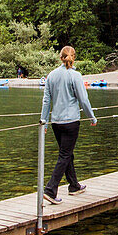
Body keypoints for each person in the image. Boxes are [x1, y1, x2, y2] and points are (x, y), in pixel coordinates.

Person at [40, 46, 97, 204]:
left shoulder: (51, 76)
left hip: (56, 123)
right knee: (65, 155)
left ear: (60, 58)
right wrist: (92, 118)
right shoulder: (75, 75)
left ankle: (74, 186)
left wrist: (44, 122)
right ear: (74, 58)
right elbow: (83, 100)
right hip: (71, 122)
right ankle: (50, 190)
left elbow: (46, 101)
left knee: (67, 153)